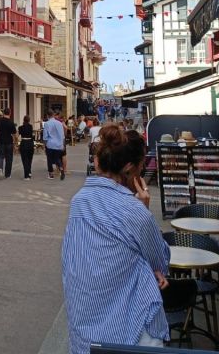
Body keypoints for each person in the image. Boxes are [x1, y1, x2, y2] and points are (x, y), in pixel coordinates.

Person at [62, 125, 170, 351]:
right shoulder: (135, 211)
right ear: (131, 168)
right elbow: (160, 261)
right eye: (140, 167)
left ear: (99, 163)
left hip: (83, 324)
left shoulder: (79, 201)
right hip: (129, 327)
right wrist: (144, 210)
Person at [0, 108, 17, 179]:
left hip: (1, 141)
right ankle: (7, 174)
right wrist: (15, 143)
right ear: (10, 113)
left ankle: (0, 168)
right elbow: (14, 134)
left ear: (3, 113)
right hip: (9, 142)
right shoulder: (11, 122)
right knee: (9, 158)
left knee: (0, 156)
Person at [43, 111, 66, 179]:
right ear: (53, 115)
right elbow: (62, 136)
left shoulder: (47, 124)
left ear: (47, 116)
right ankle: (61, 169)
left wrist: (45, 145)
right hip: (59, 144)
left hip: (50, 144)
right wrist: (63, 145)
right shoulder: (59, 123)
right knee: (57, 158)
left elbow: (45, 136)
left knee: (49, 159)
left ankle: (51, 174)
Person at [18, 115, 35, 180]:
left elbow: (17, 136)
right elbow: (32, 135)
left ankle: (26, 175)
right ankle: (29, 172)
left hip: (24, 143)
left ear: (23, 120)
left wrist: (16, 142)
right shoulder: (31, 126)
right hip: (30, 143)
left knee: (24, 159)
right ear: (29, 120)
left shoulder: (20, 127)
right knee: (30, 159)